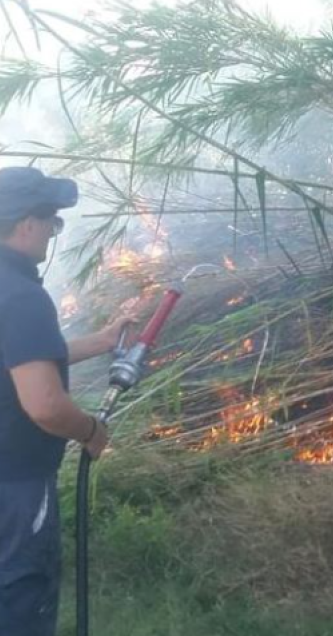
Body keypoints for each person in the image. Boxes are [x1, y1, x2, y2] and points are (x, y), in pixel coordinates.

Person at [0, 166, 135, 636]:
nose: (55, 231)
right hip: (16, 487)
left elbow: (16, 359)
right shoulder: (22, 297)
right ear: (27, 224)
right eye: (53, 221)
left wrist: (99, 341)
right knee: (20, 599)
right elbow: (45, 406)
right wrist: (92, 432)